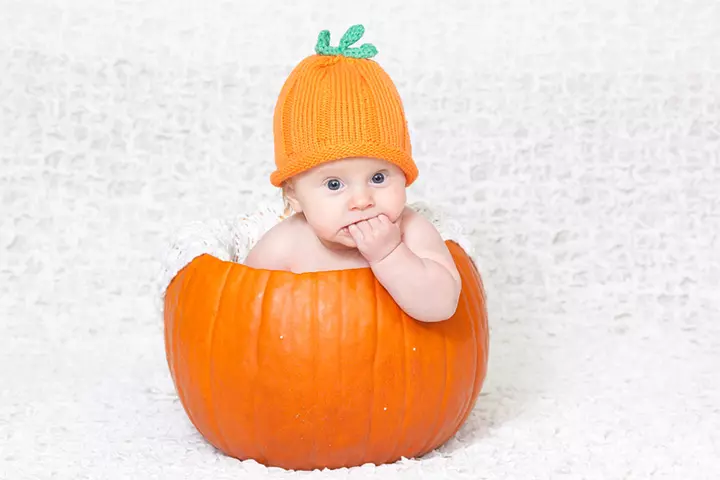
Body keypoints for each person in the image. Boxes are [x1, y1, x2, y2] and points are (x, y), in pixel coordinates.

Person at [244, 24, 461, 322]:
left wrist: (389, 255)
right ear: (293, 194)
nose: (361, 200)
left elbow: (442, 307)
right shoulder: (284, 245)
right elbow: (243, 318)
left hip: (399, 366)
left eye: (379, 178)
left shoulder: (412, 233)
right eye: (334, 184)